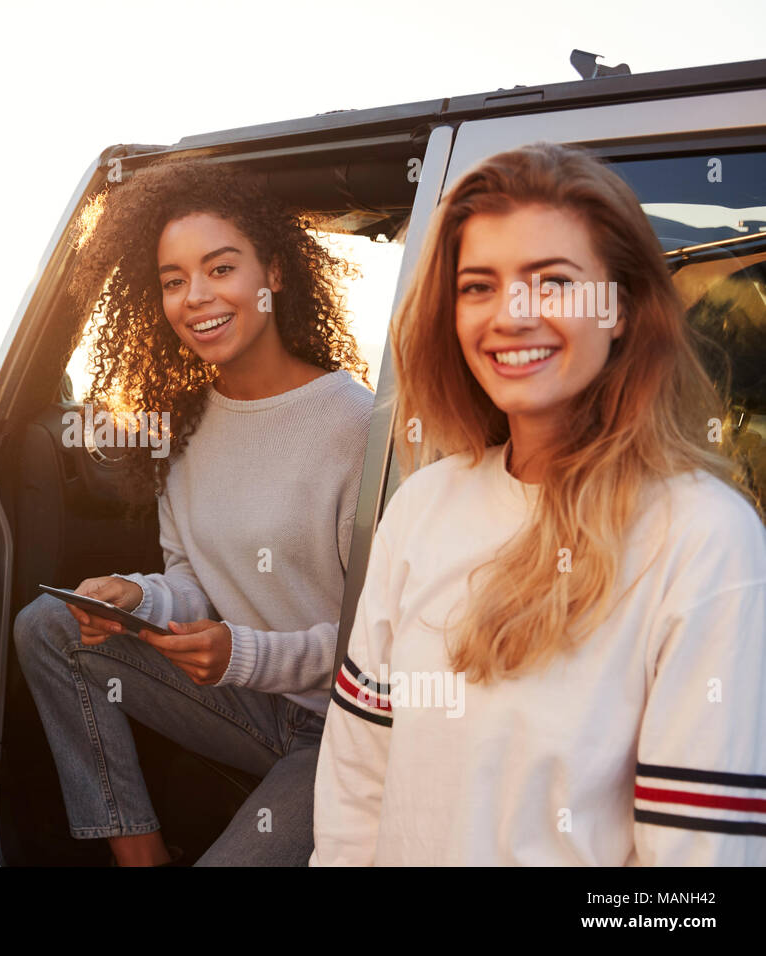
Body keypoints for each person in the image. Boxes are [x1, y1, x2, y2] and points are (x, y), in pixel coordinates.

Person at [310, 142, 766, 866]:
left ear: (621, 308)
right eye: (478, 286)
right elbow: (357, 781)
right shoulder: (423, 504)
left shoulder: (706, 536)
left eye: (552, 282)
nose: (511, 316)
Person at [14, 158, 375, 866]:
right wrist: (139, 595)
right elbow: (192, 578)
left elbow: (384, 645)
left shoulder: (357, 426)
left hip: (346, 729)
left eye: (220, 268)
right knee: (51, 628)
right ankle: (141, 854)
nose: (196, 296)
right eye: (174, 280)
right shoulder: (185, 426)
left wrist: (242, 652)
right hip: (247, 703)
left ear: (273, 273)